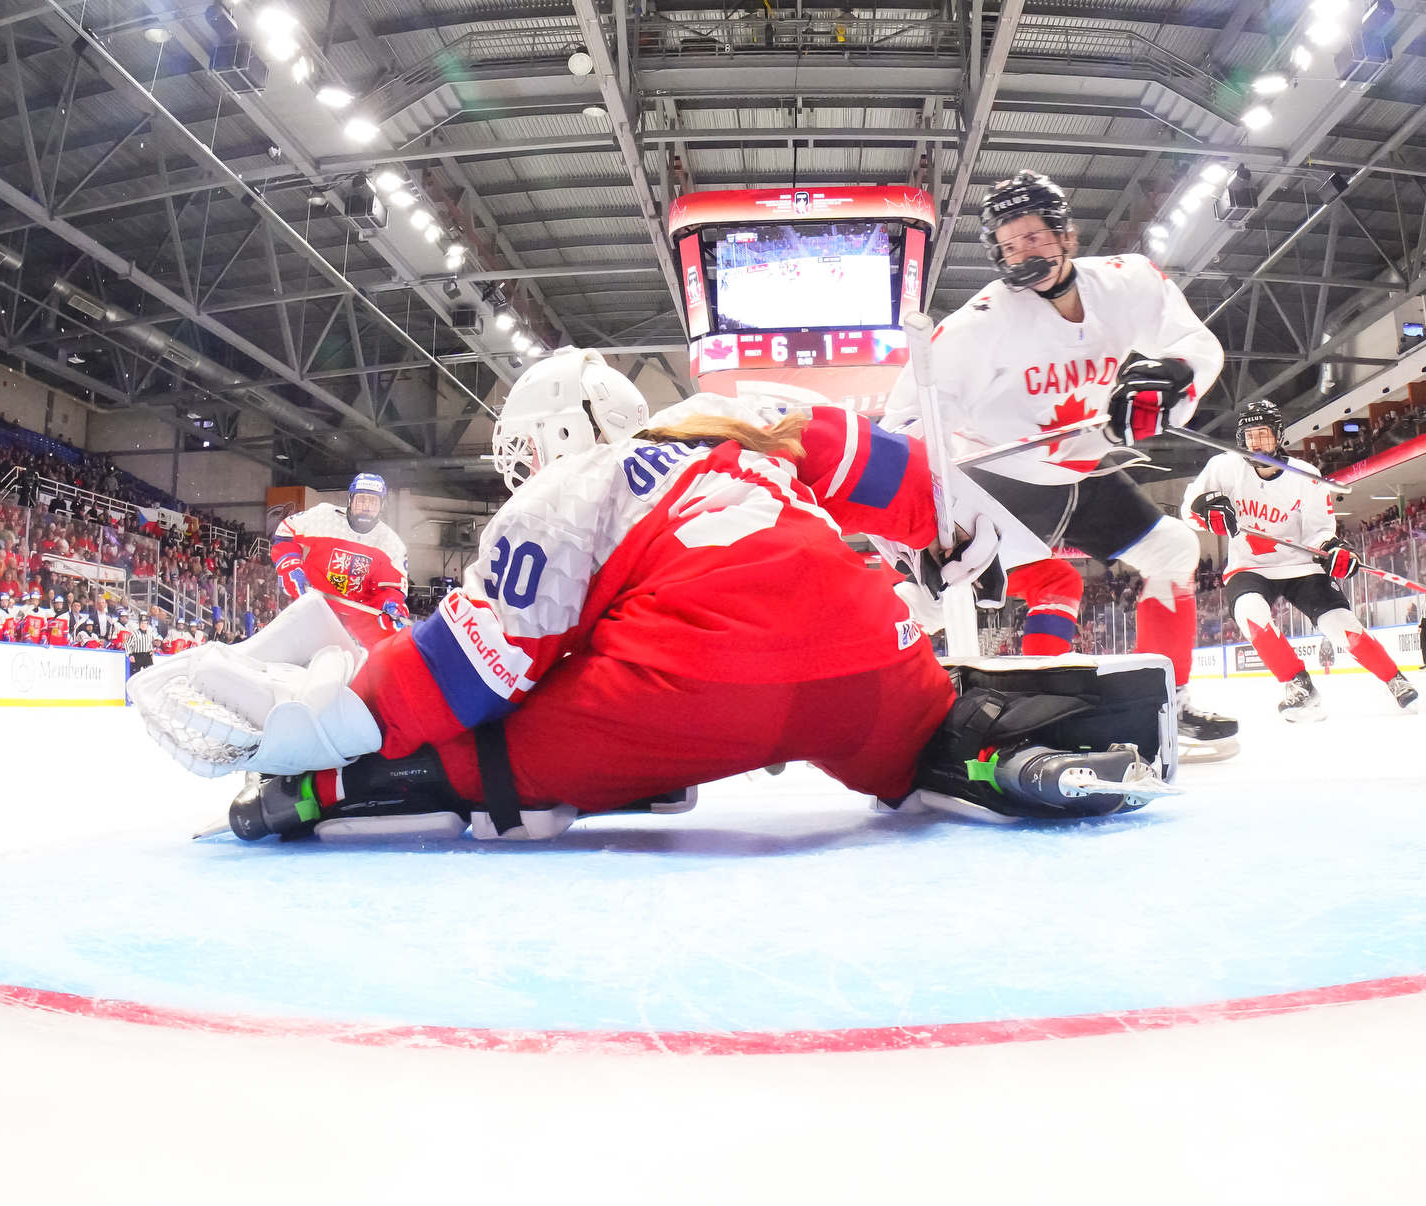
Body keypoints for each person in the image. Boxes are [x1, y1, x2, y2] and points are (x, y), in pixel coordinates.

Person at [133, 349, 1177, 841]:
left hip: (687, 688)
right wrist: (980, 542)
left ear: (556, 437)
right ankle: (988, 750)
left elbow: (471, 671)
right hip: (866, 655)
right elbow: (924, 487)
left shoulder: (566, 491)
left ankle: (329, 795)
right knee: (918, 722)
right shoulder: (742, 416)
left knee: (489, 750)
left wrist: (332, 724)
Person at [883, 169, 1239, 759]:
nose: (1023, 253)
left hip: (1085, 471)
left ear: (1066, 234)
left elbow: (1194, 345)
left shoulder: (1127, 281)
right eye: (1008, 244)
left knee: (1174, 551)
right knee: (936, 597)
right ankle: (849, 685)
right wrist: (927, 514)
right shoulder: (982, 322)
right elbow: (907, 417)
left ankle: (1166, 704)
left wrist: (1173, 379)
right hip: (1003, 483)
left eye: (1033, 236)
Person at [1181, 399, 1418, 719]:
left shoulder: (1306, 475)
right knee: (1249, 612)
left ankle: (1394, 679)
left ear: (1278, 436)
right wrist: (1205, 510)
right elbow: (1188, 511)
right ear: (1241, 439)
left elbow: (1319, 532)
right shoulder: (1223, 468)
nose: (1256, 443)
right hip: (1249, 567)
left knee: (1339, 624)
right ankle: (1298, 684)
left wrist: (1333, 550)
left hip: (1301, 565)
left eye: (1263, 434)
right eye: (1250, 435)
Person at [270, 471, 410, 624]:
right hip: (311, 605)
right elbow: (286, 530)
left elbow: (393, 588)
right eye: (361, 500)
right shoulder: (325, 517)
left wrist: (393, 604)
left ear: (381, 505)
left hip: (356, 622)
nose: (366, 507)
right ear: (350, 500)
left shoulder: (391, 543)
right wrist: (290, 567)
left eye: (373, 502)